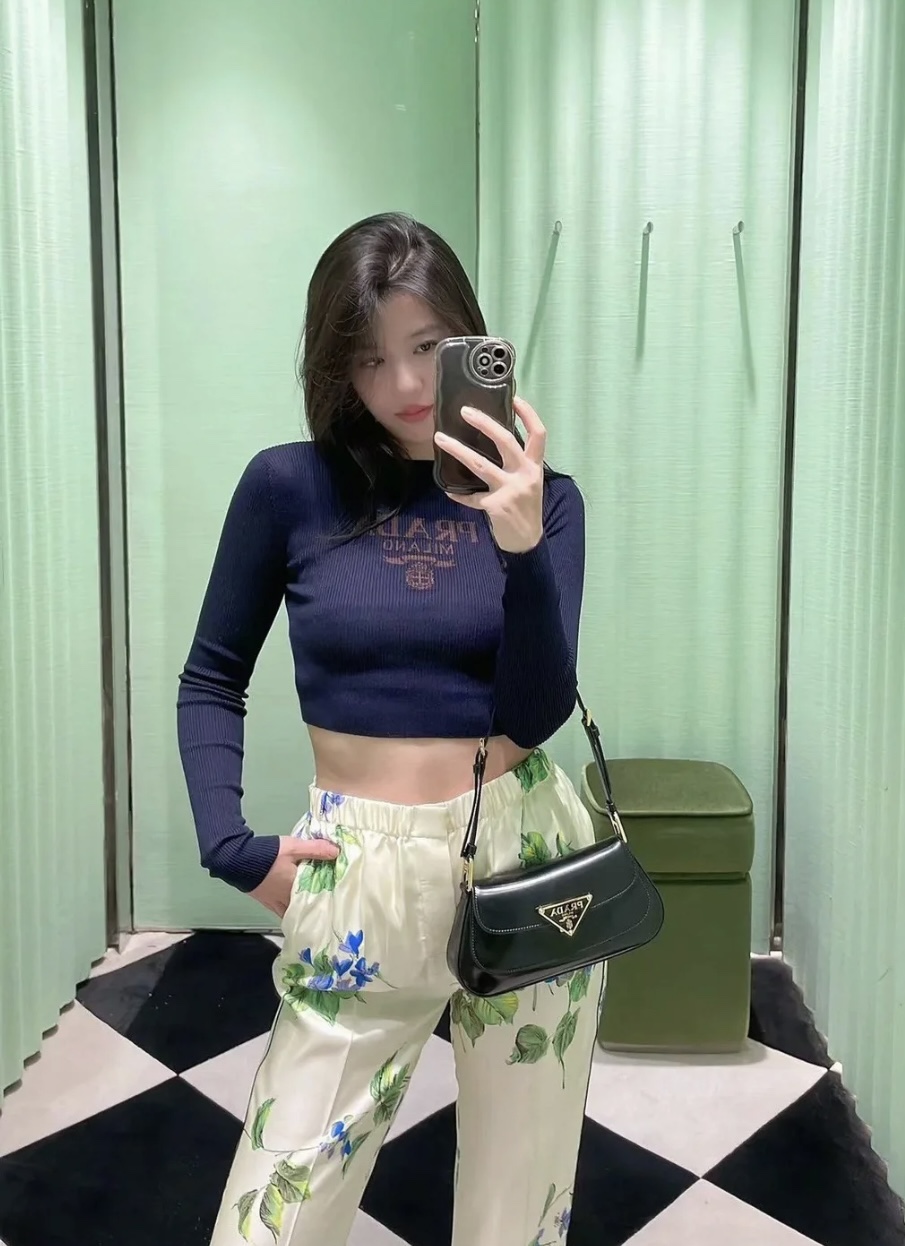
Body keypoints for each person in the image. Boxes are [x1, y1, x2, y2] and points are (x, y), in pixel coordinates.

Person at [177, 212, 603, 1246]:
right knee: (274, 1210)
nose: (404, 383)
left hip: (526, 851)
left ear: (469, 339)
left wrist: (518, 544)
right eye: (368, 358)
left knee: (517, 1203)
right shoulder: (288, 486)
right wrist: (231, 848)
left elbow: (535, 709)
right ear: (335, 368)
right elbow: (211, 676)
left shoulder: (545, 501)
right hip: (356, 865)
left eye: (425, 346)